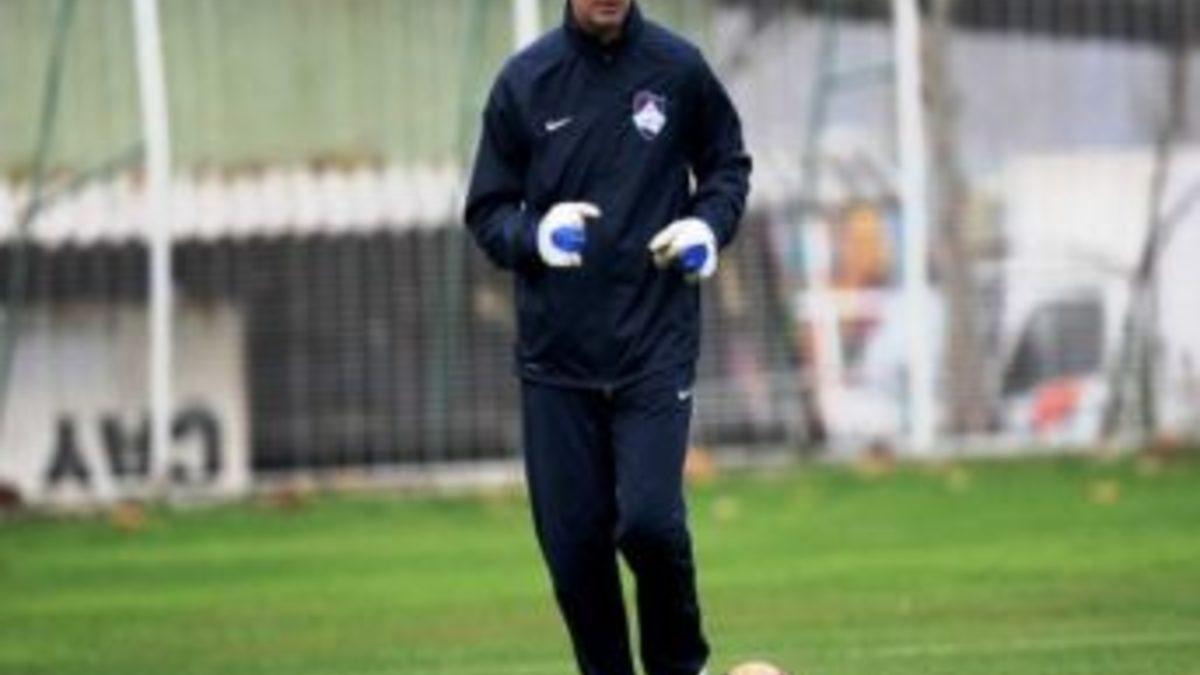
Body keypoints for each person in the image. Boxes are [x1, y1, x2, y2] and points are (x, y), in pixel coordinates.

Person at [463, 1, 751, 673]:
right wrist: (534, 234)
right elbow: (488, 210)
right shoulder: (524, 82)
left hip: (655, 347)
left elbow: (727, 168)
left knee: (650, 523)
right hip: (556, 361)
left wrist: (707, 228)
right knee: (574, 552)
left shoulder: (679, 68)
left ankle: (680, 668)